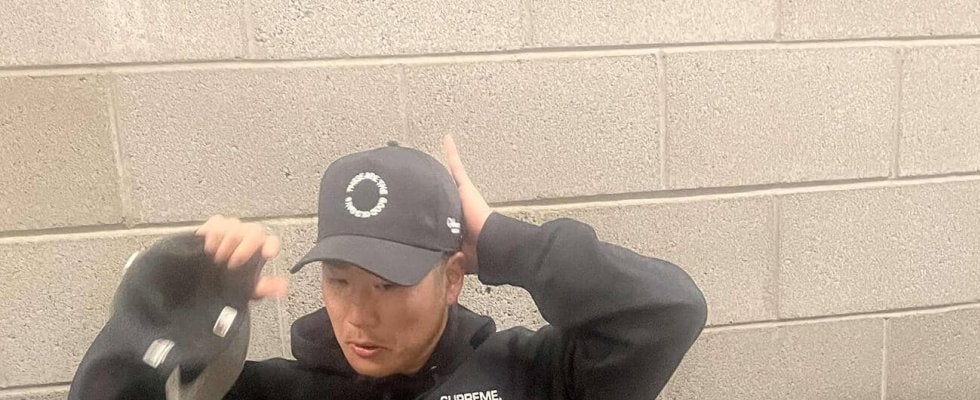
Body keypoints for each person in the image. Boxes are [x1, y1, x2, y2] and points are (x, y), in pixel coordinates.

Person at [70, 136, 707, 399]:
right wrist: (158, 310)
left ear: (452, 278)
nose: (357, 314)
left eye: (388, 283)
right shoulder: (275, 392)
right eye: (339, 280)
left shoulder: (532, 377)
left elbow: (667, 313)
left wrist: (505, 243)